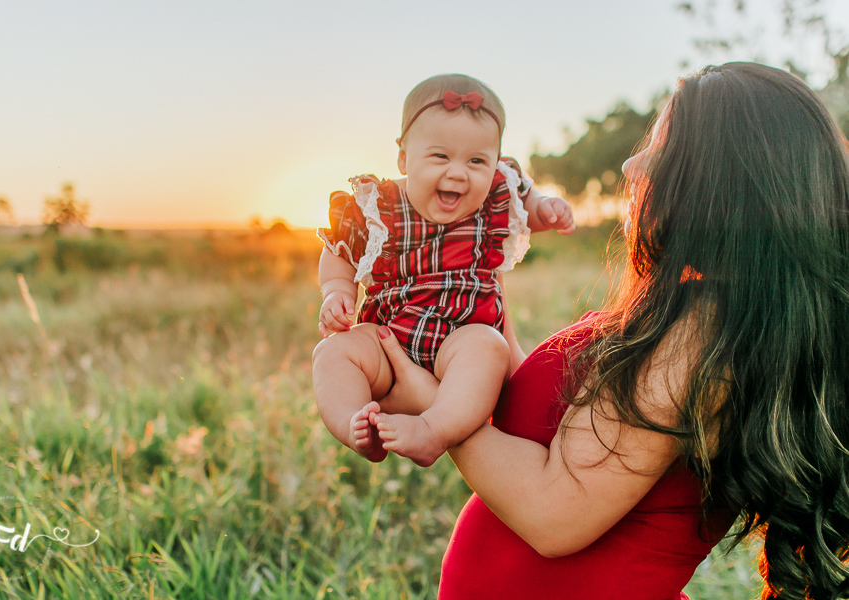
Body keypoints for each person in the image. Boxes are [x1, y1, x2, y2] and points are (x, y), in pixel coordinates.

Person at [373, 62, 849, 599]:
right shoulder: (688, 314)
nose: (631, 162)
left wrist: (429, 404)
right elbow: (549, 428)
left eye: (662, 143)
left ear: (716, 177)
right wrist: (474, 285)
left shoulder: (704, 338)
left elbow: (554, 513)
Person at [313, 73, 575, 467]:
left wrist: (545, 209)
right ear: (404, 158)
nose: (458, 172)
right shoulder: (377, 206)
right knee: (334, 352)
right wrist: (337, 291)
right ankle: (357, 424)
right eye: (440, 156)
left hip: (460, 338)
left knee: (490, 347)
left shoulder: (495, 196)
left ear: (496, 164)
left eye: (476, 161)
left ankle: (433, 430)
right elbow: (339, 250)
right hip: (388, 337)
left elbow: (526, 203)